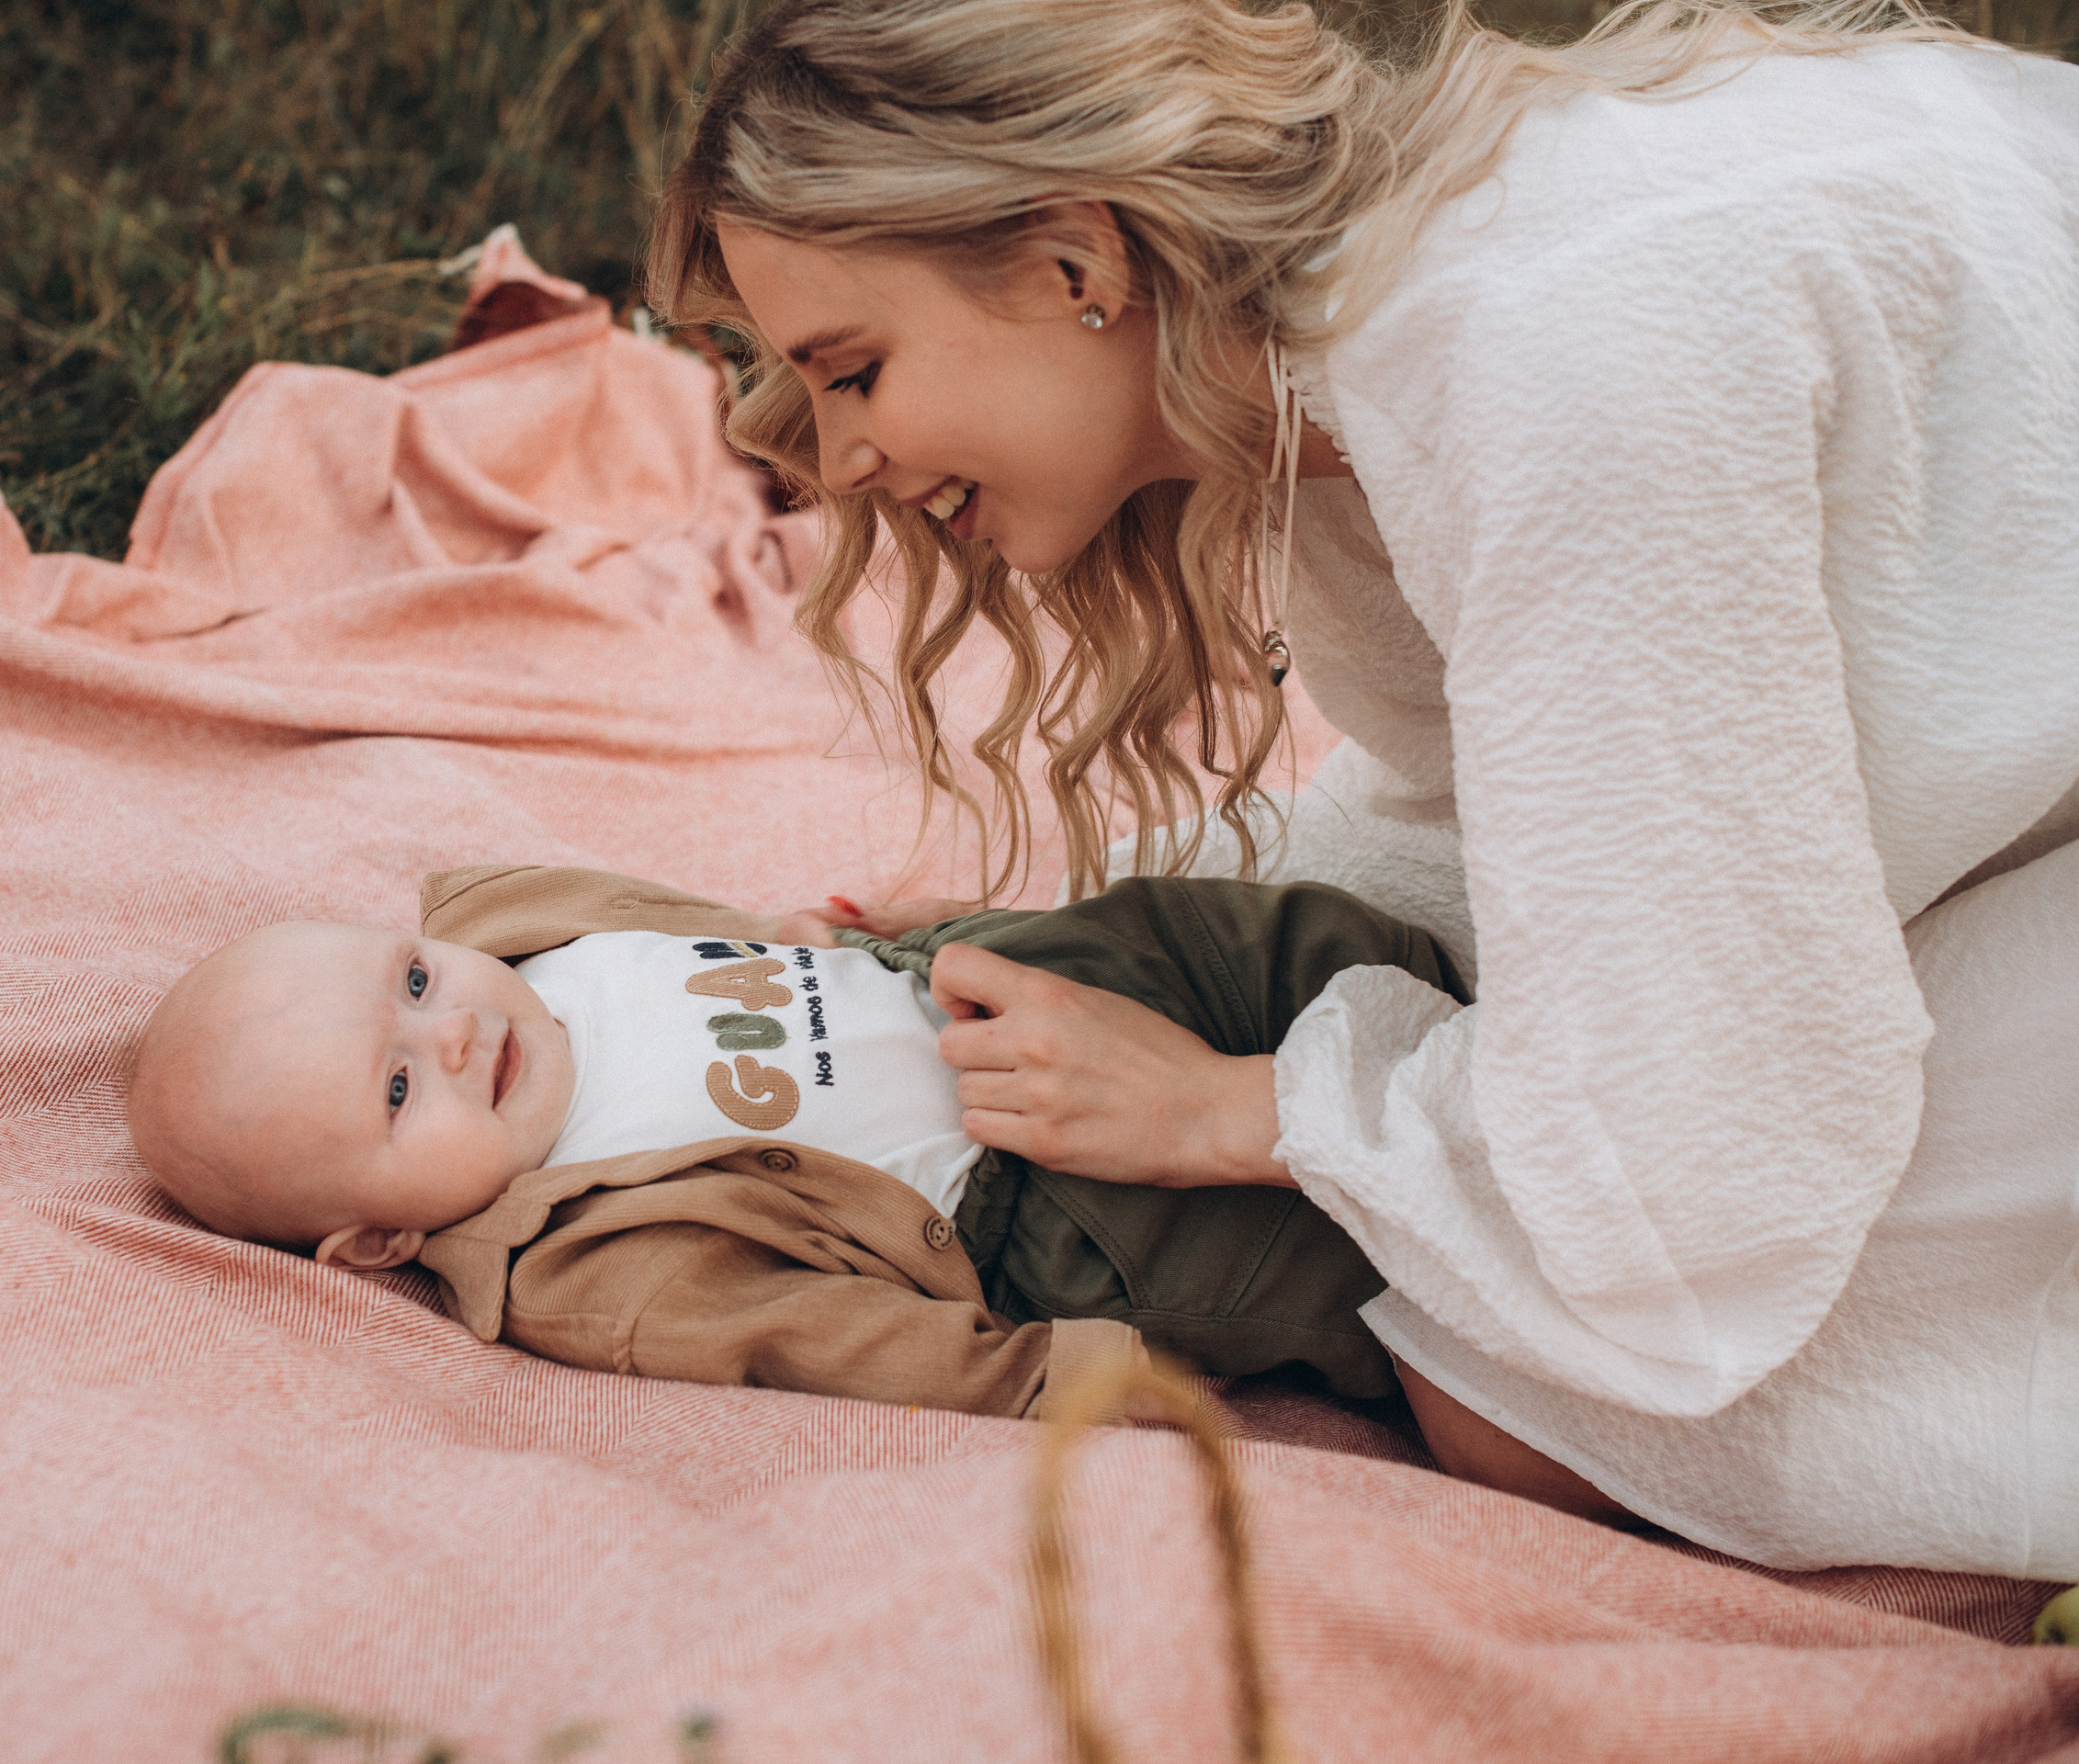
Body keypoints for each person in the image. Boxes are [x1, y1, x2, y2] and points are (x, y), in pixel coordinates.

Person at [643, 0, 2079, 1573]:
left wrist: (1233, 1112)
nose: (836, 460)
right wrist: (1105, 910)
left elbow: (1692, 1140)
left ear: (1075, 264)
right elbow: (1485, 795)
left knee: (1535, 1401)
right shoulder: (1335, 373)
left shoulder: (1555, 363)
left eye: (854, 371)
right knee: (1509, 1337)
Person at [125, 864, 1477, 1432]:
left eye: (415, 986)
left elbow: (720, 952)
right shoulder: (591, 1262)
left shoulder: (532, 937)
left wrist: (891, 945)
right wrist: (1064, 1376)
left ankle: (1469, 1016)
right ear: (378, 1241)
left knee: (1227, 936)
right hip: (1044, 1203)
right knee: (1326, 1257)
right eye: (398, 1095)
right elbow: (817, 1335)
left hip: (977, 989)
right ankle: (1503, 1258)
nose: (460, 1038)